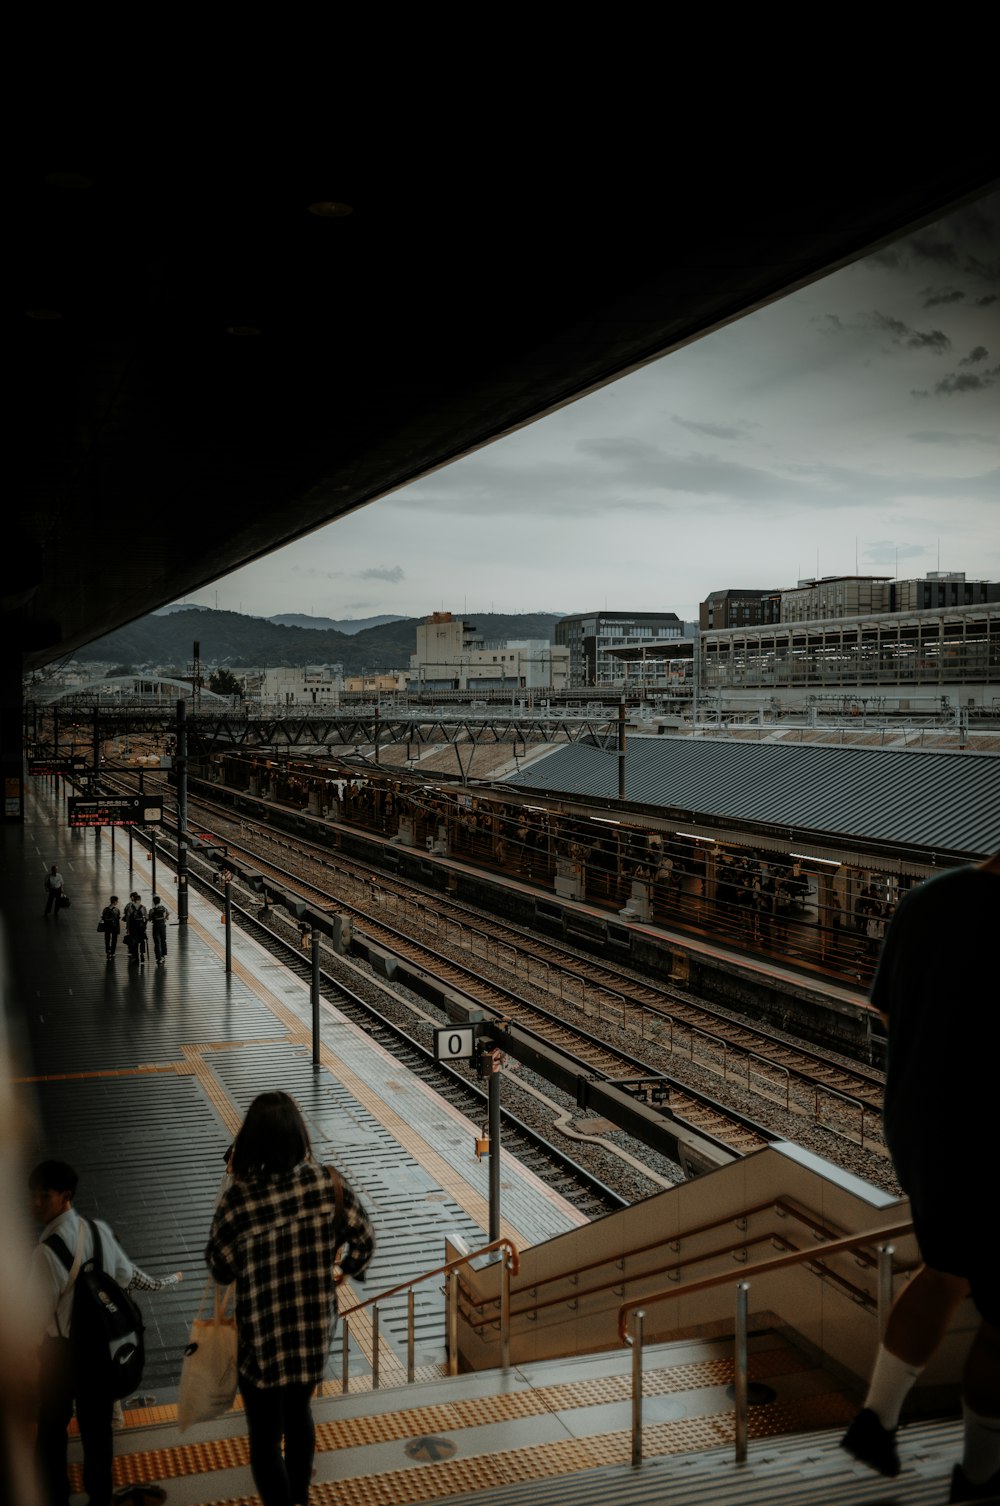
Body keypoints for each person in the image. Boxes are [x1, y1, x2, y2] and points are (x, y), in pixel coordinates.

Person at [841, 853, 1000, 1502]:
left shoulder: (927, 902)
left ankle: (876, 1419)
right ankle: (983, 1472)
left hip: (924, 1135)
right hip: (994, 1146)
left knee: (944, 1273)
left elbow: (884, 1013)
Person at [206, 1091, 375, 1506]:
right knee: (299, 1414)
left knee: (264, 1436)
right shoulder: (327, 1184)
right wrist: (342, 1272)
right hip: (311, 1334)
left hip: (260, 1340)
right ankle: (300, 1497)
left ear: (253, 1142)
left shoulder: (239, 1200)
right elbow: (364, 1240)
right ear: (299, 1137)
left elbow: (221, 1268)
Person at [27, 1159, 183, 1506]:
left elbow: (34, 1316)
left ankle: (55, 1495)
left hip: (60, 1353)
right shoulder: (97, 1231)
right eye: (33, 1196)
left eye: (43, 1196)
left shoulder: (45, 1253)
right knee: (97, 1432)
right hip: (99, 1350)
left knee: (52, 1429)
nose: (35, 1203)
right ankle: (100, 1498)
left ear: (64, 1196)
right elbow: (124, 1276)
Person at [124, 893, 148, 964]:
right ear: (140, 900)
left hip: (133, 926)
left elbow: (128, 919)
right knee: (142, 940)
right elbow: (146, 918)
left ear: (134, 900)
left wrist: (128, 928)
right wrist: (145, 925)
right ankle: (142, 954)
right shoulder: (143, 907)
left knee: (134, 941)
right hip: (141, 926)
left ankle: (136, 957)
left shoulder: (130, 908)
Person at [149, 894, 168, 963]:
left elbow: (150, 918)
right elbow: (167, 914)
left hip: (156, 927)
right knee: (163, 941)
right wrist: (165, 918)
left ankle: (158, 958)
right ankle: (163, 955)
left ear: (153, 902)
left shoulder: (152, 910)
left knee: (157, 942)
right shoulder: (163, 908)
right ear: (159, 901)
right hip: (163, 926)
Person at [101, 894, 122, 959]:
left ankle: (108, 950)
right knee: (114, 939)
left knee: (107, 939)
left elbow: (103, 917)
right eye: (117, 901)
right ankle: (113, 952)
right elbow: (118, 919)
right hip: (114, 927)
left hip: (107, 926)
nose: (117, 902)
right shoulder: (117, 910)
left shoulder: (105, 909)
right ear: (115, 902)